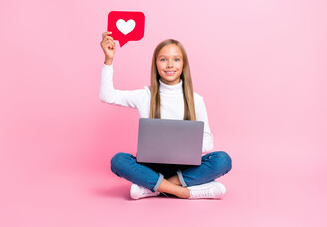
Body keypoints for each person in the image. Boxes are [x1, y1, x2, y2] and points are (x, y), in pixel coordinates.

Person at [99, 31, 232, 200]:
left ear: (183, 64)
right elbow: (107, 96)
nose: (170, 65)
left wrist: (181, 146)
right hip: (152, 167)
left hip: (184, 168)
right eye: (163, 59)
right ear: (156, 64)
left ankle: (153, 188)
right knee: (118, 161)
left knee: (222, 160)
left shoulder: (196, 100)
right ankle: (184, 191)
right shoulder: (145, 95)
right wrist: (108, 60)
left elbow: (208, 141)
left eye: (176, 59)